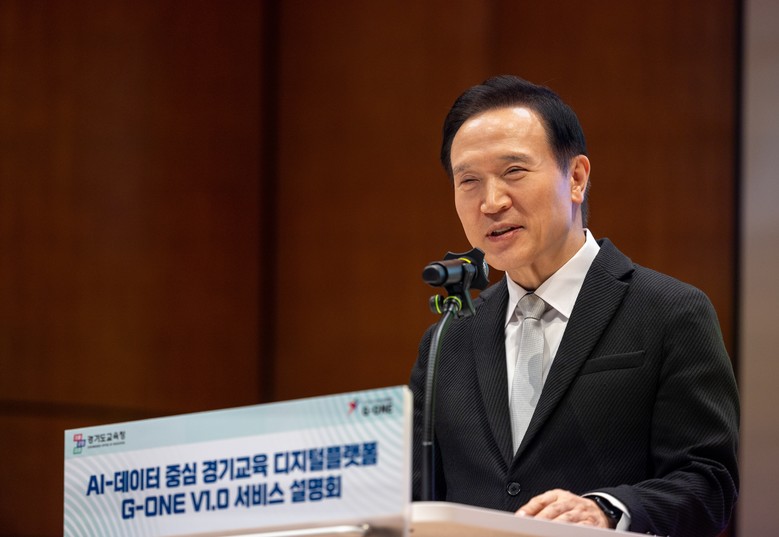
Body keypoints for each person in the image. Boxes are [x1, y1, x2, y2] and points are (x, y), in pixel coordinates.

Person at [409, 75, 739, 536]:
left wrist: (607, 512)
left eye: (514, 171)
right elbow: (413, 497)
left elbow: (709, 482)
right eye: (469, 181)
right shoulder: (448, 338)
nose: (491, 202)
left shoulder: (670, 312)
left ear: (577, 178)